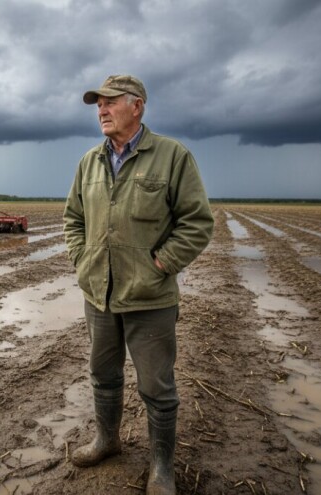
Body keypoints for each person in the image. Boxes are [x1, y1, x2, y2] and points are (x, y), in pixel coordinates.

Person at [63, 75, 213, 494]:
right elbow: (72, 219)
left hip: (150, 298)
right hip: (100, 295)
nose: (102, 110)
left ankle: (162, 466)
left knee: (156, 386)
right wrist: (83, 260)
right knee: (102, 374)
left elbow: (198, 222)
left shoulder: (171, 157)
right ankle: (107, 440)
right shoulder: (90, 161)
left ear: (137, 107)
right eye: (98, 105)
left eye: (110, 102)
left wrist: (161, 264)